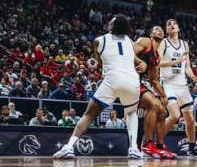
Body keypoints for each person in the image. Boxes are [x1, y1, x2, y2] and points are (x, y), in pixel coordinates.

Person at [55, 15, 149, 159]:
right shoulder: (130, 42)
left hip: (112, 79)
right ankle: (134, 149)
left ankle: (69, 147)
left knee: (89, 114)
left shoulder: (99, 40)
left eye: (111, 21)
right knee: (131, 113)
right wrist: (142, 63)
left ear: (112, 25)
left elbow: (99, 61)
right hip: (132, 80)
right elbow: (131, 58)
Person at [159, 19, 197, 158]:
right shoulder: (163, 43)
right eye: (168, 24)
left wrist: (192, 76)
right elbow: (158, 63)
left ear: (178, 28)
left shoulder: (185, 44)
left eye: (174, 24)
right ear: (167, 30)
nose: (171, 25)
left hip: (182, 84)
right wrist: (176, 62)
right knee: (175, 115)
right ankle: (157, 143)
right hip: (167, 83)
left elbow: (187, 66)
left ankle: (191, 148)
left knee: (190, 118)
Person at [134, 26, 176, 160]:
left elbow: (154, 80)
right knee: (155, 106)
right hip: (127, 78)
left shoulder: (157, 56)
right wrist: (140, 62)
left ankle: (159, 146)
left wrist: (163, 95)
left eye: (161, 29)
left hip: (137, 83)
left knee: (163, 111)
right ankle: (147, 144)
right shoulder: (145, 41)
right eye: (155, 29)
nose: (159, 30)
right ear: (151, 34)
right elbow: (127, 54)